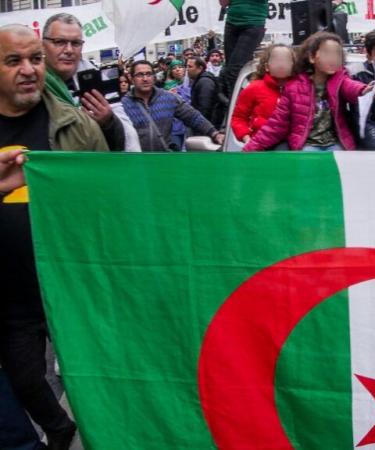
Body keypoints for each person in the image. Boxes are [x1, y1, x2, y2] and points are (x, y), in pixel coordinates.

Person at [0, 24, 109, 450]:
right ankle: (58, 428)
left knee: (97, 378)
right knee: (28, 380)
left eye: (35, 60)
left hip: (72, 288)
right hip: (13, 298)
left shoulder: (75, 127)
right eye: (14, 61)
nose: (29, 70)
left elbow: (106, 204)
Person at [243, 32, 373, 152]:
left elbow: (352, 88)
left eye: (337, 54)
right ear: (311, 57)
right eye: (327, 53)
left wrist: (364, 90)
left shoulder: (342, 79)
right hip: (307, 146)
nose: (333, 58)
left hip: (336, 144)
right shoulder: (293, 88)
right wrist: (251, 148)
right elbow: (276, 124)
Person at [41, 13, 137, 151]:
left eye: (75, 43)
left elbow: (127, 140)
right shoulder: (32, 82)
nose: (68, 50)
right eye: (59, 42)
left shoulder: (100, 78)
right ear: (43, 45)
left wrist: (109, 122)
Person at [121, 61, 224, 151]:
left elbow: (193, 117)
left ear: (154, 76)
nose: (145, 78)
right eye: (139, 75)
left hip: (164, 160)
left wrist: (214, 133)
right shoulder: (124, 104)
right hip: (137, 162)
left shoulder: (168, 98)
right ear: (132, 79)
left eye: (149, 74)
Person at [231, 44, 295, 143]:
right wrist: (246, 137)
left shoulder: (301, 90)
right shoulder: (254, 88)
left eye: (286, 60)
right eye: (276, 60)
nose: (281, 64)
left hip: (292, 148)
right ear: (267, 67)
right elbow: (238, 117)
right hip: (260, 145)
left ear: (293, 65)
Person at [219, 0, 268, 99]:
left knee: (234, 70)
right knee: (229, 69)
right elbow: (223, 3)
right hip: (231, 22)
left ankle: (238, 107)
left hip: (253, 23)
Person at [187, 57, 221, 125]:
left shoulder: (205, 82)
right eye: (187, 66)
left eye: (190, 67)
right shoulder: (200, 80)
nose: (187, 69)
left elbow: (205, 108)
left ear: (200, 68)